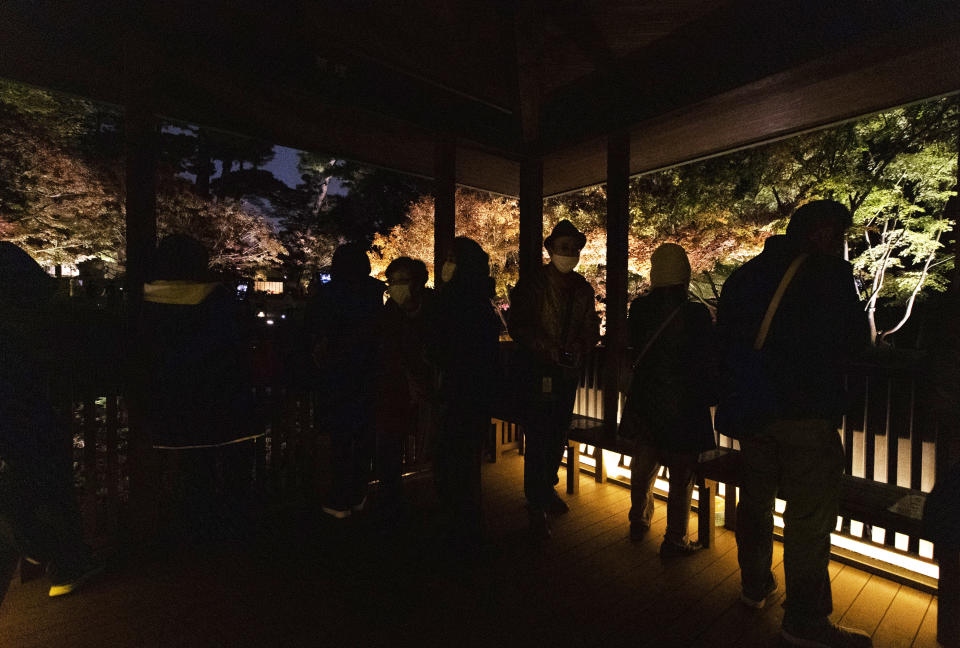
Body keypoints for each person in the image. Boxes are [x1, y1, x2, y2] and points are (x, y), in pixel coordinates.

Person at [717, 200, 870, 648]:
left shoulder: (743, 276)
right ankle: (804, 620)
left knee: (757, 501)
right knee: (806, 516)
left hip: (752, 411)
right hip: (805, 412)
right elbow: (856, 341)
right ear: (822, 235)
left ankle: (755, 585)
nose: (841, 247)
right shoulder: (829, 275)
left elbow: (725, 340)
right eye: (839, 237)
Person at [132, 234, 257, 544]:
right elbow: (239, 343)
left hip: (172, 404)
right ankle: (234, 529)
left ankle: (192, 530)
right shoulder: (219, 300)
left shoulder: (145, 303)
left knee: (189, 472)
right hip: (225, 402)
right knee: (232, 471)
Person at [0, 242, 102, 602]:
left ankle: (41, 550)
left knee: (23, 490)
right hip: (32, 413)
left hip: (18, 417)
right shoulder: (32, 318)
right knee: (52, 487)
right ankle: (64, 561)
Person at [620, 243, 717, 556]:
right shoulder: (696, 313)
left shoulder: (639, 309)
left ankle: (639, 520)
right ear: (685, 274)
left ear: (654, 272)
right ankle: (674, 539)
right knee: (680, 475)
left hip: (646, 400)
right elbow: (706, 359)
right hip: (684, 405)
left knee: (643, 463)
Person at [507, 220, 600, 539]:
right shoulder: (532, 285)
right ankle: (536, 501)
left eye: (574, 248)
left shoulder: (583, 289)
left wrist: (580, 346)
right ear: (550, 250)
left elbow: (592, 328)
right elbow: (517, 326)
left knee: (559, 432)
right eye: (564, 247)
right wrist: (548, 348)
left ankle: (546, 489)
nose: (570, 253)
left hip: (567, 374)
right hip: (537, 371)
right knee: (537, 435)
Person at [430, 238, 501, 555]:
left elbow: (441, 350)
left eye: (451, 259)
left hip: (458, 393)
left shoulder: (454, 302)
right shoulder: (482, 303)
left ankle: (460, 529)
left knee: (452, 461)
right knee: (466, 464)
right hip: (476, 395)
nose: (446, 265)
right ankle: (468, 528)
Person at [308, 243, 385, 518]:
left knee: (338, 441)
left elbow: (315, 335)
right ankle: (359, 493)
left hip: (336, 379)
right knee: (363, 438)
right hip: (369, 377)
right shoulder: (375, 294)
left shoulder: (328, 297)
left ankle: (338, 497)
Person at [374, 257, 434, 516]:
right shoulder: (388, 314)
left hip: (431, 390)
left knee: (433, 444)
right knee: (390, 445)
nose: (397, 287)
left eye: (403, 280)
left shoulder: (434, 310)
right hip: (394, 393)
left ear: (419, 282)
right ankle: (392, 499)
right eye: (393, 282)